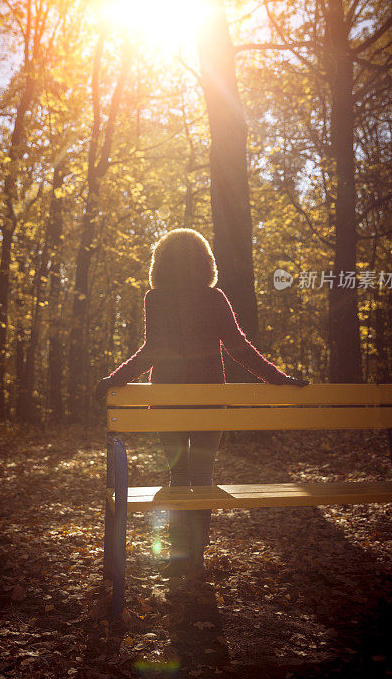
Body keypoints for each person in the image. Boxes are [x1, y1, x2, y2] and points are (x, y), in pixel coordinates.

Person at [95, 228, 308, 580]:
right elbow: (239, 348)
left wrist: (113, 379)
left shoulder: (157, 298)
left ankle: (181, 557)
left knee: (180, 477)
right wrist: (278, 378)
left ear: (160, 263)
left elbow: (153, 351)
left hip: (167, 402)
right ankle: (195, 558)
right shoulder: (213, 297)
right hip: (210, 402)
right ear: (204, 262)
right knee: (201, 478)